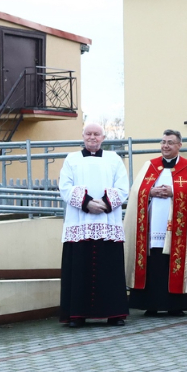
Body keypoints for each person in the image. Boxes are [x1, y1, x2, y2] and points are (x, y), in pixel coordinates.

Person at [124, 129, 187, 316]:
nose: (165, 146)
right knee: (153, 262)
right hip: (151, 225)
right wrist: (150, 192)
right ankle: (149, 304)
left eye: (170, 142)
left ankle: (176, 305)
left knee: (172, 262)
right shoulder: (149, 166)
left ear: (179, 146)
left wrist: (174, 192)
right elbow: (135, 192)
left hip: (178, 228)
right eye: (163, 142)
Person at [59, 122, 130, 327]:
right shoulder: (71, 159)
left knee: (110, 269)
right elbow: (64, 186)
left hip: (108, 221)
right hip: (80, 222)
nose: (92, 137)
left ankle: (114, 313)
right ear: (83, 136)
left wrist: (106, 204)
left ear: (103, 138)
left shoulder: (114, 159)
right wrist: (86, 203)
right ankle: (76, 314)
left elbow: (123, 187)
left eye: (96, 134)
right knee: (78, 269)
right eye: (88, 134)